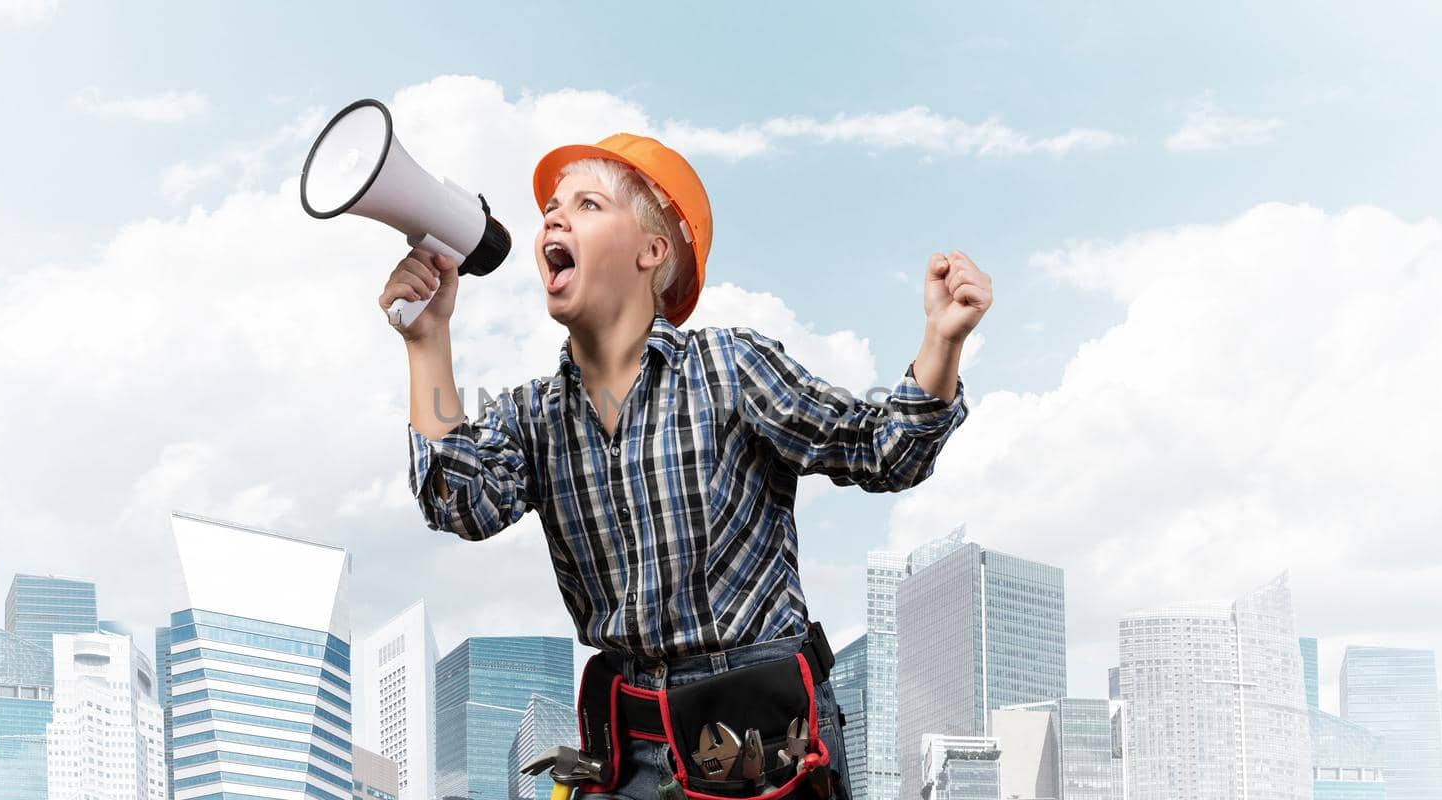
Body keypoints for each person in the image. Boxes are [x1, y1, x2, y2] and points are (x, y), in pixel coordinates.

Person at [381, 134, 990, 799]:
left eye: (587, 204)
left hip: (760, 743)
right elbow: (459, 502)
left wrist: (943, 340)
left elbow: (884, 450)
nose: (553, 218)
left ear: (652, 252)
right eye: (551, 207)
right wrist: (427, 339)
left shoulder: (728, 369)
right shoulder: (534, 415)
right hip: (630, 745)